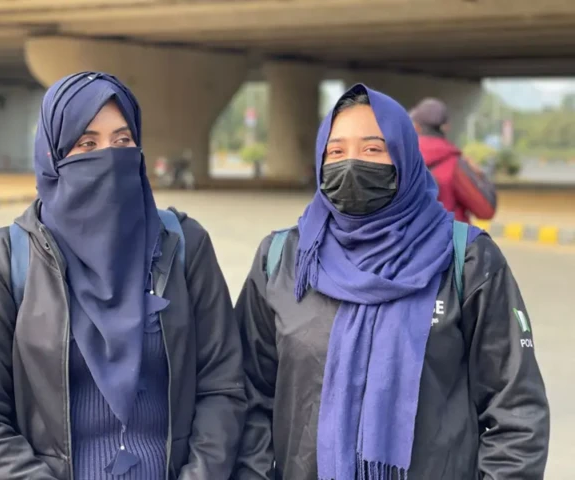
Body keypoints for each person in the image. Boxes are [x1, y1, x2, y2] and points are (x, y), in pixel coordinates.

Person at [233, 84, 549, 480]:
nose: (351, 164)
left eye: (372, 149)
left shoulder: (467, 261)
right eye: (336, 151)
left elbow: (516, 410)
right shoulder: (282, 260)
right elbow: (246, 395)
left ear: (403, 155)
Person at [0, 72, 245, 480]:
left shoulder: (183, 246)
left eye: (123, 141)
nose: (109, 155)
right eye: (87, 144)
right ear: (53, 157)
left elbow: (222, 386)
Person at [411, 97, 496, 223]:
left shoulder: (398, 158)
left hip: (408, 240)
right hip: (448, 239)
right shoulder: (455, 164)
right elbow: (486, 211)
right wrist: (480, 176)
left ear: (416, 127)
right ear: (447, 127)